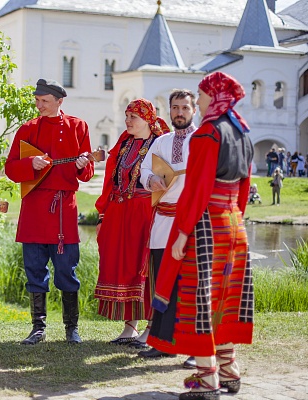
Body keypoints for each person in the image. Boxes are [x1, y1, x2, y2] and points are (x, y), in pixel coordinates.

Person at [147, 71, 254, 400]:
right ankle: (228, 367)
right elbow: (245, 187)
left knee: (200, 300)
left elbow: (197, 189)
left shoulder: (208, 133)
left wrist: (181, 234)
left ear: (214, 96)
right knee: (225, 297)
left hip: (206, 222)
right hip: (234, 221)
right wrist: (236, 218)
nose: (201, 98)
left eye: (204, 93)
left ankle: (207, 379)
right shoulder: (242, 131)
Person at [5, 78, 94, 345]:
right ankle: (38, 329)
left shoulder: (79, 127)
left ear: (59, 101)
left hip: (64, 210)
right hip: (33, 208)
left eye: (44, 101)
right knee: (34, 269)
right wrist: (30, 163)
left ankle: (71, 329)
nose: (39, 105)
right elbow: (10, 169)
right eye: (37, 100)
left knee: (67, 269)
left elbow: (87, 172)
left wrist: (81, 165)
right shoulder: (28, 128)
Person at [94, 98, 169, 344]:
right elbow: (111, 180)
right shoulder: (124, 143)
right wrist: (103, 214)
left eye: (132, 117)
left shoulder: (159, 144)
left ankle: (151, 326)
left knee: (144, 267)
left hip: (145, 212)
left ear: (147, 119)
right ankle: (130, 327)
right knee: (124, 266)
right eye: (126, 116)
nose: (127, 121)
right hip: (119, 212)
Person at [136, 89, 197, 370]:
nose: (180, 112)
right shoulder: (161, 141)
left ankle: (195, 348)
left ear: (194, 110)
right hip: (163, 221)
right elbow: (144, 170)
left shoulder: (202, 140)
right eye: (175, 107)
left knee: (191, 285)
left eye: (185, 107)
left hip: (191, 224)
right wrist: (151, 181)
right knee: (162, 283)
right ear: (169, 111)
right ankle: (162, 342)